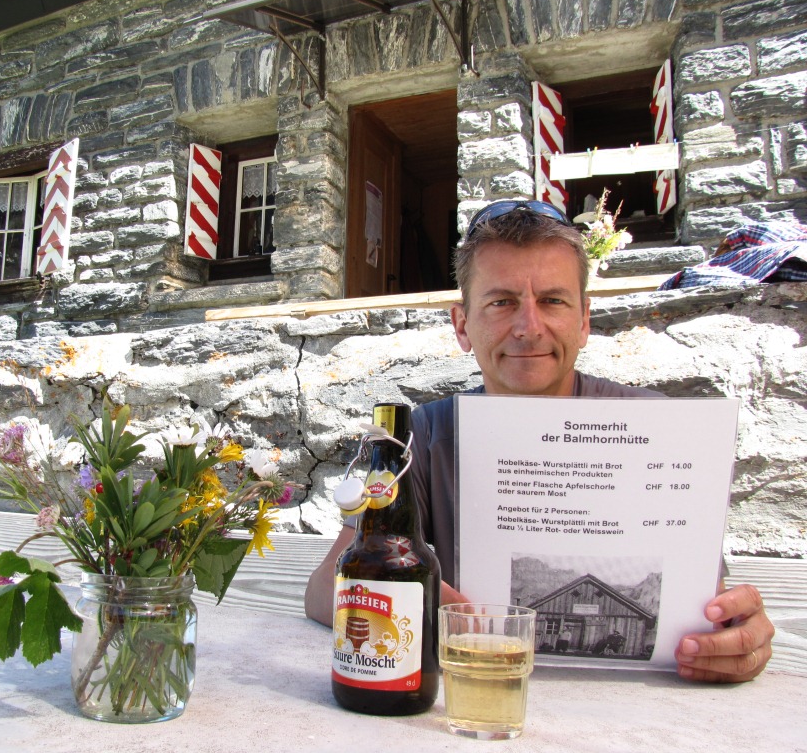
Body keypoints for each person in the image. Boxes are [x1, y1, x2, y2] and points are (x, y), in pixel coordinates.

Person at [305, 199, 775, 684]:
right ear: (462, 325)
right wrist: (401, 591)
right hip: (472, 695)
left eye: (552, 301)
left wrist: (734, 637)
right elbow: (322, 590)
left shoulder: (659, 428)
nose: (529, 328)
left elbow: (710, 608)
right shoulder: (420, 436)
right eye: (502, 302)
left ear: (584, 320)